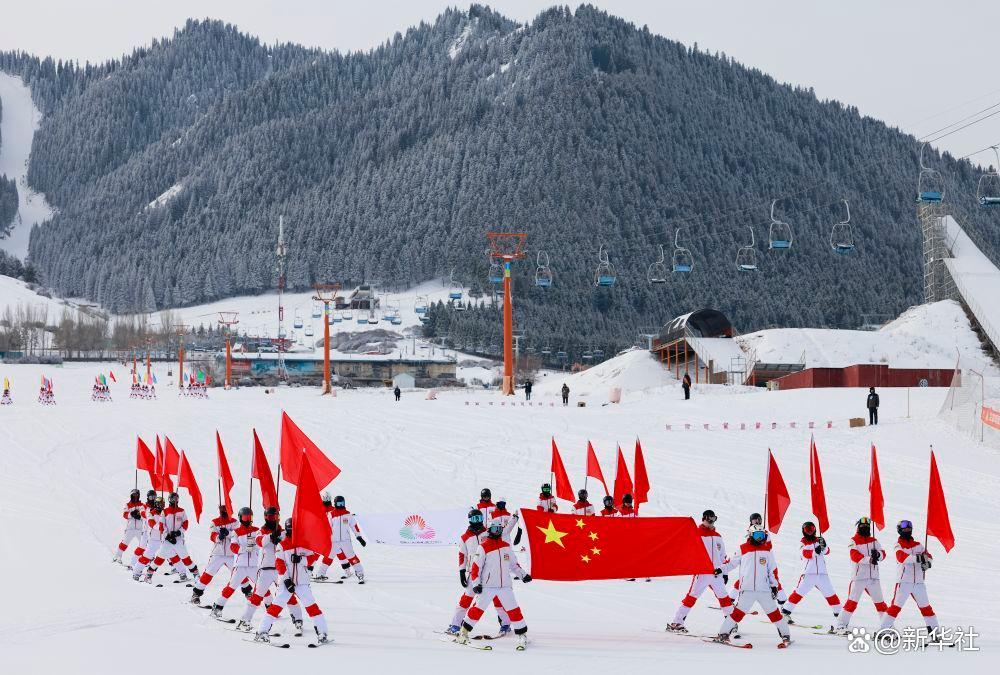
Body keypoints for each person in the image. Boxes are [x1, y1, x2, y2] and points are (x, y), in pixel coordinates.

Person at [454, 522, 531, 650]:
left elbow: (514, 565)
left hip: (505, 586)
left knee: (514, 610)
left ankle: (522, 634)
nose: (497, 531)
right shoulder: (483, 547)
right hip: (487, 586)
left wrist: (523, 575)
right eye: (495, 529)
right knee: (477, 609)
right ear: (489, 530)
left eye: (499, 529)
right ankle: (464, 632)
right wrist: (476, 584)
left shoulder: (506, 546)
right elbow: (476, 567)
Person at [254, 518, 331, 645]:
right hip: (286, 583)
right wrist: (286, 580)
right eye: (290, 529)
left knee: (312, 607)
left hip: (302, 582)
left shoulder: (305, 543)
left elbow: (312, 558)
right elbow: (279, 563)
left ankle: (322, 633)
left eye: (294, 529)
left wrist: (301, 559)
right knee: (275, 607)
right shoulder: (282, 544)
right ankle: (262, 631)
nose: (292, 531)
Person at [717, 525, 792, 646]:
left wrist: (774, 586)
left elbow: (772, 570)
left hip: (764, 590)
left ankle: (785, 635)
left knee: (774, 614)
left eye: (762, 535)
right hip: (747, 590)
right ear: (751, 535)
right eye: (757, 535)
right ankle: (723, 634)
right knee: (737, 614)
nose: (760, 539)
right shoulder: (743, 548)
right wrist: (720, 570)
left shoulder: (767, 551)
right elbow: (730, 563)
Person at [446, 509, 512, 635]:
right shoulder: (465, 537)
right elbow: (462, 555)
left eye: (479, 518)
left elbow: (501, 539)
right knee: (467, 598)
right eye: (474, 519)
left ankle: (505, 624)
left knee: (497, 598)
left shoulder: (488, 532)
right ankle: (455, 624)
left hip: (489, 572)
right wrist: (462, 571)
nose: (477, 521)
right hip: (474, 572)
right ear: (470, 520)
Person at [237, 507, 304, 633]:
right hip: (265, 569)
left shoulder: (283, 532)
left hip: (280, 569)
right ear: (266, 517)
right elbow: (259, 542)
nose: (273, 519)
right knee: (257, 595)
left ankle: (298, 618)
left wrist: (281, 537)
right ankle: (245, 620)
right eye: (270, 517)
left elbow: (291, 541)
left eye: (275, 517)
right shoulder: (261, 531)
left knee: (288, 594)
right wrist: (271, 536)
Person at [668, 509, 733, 632]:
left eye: (713, 519)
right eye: (709, 519)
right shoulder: (696, 534)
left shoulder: (718, 536)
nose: (711, 521)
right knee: (692, 597)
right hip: (702, 573)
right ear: (703, 519)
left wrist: (725, 573)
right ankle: (677, 622)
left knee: (724, 598)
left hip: (717, 573)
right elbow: (687, 550)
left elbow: (723, 556)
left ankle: (731, 623)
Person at [878, 519, 940, 636]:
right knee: (895, 607)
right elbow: (901, 558)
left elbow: (929, 556)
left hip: (919, 583)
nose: (907, 530)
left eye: (909, 528)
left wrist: (928, 563)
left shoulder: (918, 545)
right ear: (899, 530)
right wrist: (919, 558)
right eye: (905, 529)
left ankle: (935, 633)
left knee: (926, 608)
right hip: (904, 582)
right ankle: (882, 631)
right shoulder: (898, 545)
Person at [833, 517, 887, 634]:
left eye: (867, 526)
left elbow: (883, 554)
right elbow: (854, 556)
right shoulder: (853, 541)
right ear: (858, 527)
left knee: (880, 603)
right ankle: (840, 626)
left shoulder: (874, 541)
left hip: (873, 577)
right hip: (859, 578)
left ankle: (887, 626)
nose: (865, 528)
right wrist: (870, 559)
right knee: (852, 602)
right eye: (862, 526)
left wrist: (878, 555)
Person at [781, 522, 842, 623]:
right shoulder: (803, 542)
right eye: (807, 529)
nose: (809, 532)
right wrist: (815, 552)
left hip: (822, 573)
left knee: (830, 593)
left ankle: (840, 613)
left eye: (811, 529)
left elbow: (827, 552)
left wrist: (824, 545)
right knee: (799, 592)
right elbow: (804, 553)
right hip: (809, 573)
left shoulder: (819, 540)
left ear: (815, 530)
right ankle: (785, 611)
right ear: (803, 531)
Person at [728, 513, 788, 604]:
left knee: (771, 577)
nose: (757, 522)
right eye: (754, 520)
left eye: (759, 520)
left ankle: (782, 599)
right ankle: (730, 598)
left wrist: (763, 541)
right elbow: (748, 545)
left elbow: (769, 546)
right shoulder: (750, 531)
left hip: (764, 557)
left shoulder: (765, 532)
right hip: (753, 557)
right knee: (745, 578)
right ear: (751, 521)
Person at [210, 507, 259, 619]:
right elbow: (233, 547)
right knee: (231, 587)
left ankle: (269, 607)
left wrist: (254, 545)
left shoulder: (256, 530)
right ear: (241, 518)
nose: (247, 520)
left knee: (262, 586)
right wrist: (245, 548)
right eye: (245, 517)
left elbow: (260, 544)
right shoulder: (236, 532)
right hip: (240, 566)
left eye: (249, 517)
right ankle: (218, 607)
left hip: (253, 566)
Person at [141, 492, 199, 582]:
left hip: (179, 540)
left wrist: (178, 532)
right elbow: (161, 525)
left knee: (185, 558)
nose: (174, 500)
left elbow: (185, 523)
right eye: (172, 499)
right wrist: (167, 535)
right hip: (167, 540)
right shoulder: (165, 511)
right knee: (159, 558)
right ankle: (148, 575)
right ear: (169, 500)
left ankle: (196, 575)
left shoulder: (181, 511)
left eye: (176, 499)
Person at [190, 505, 237, 605]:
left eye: (225, 510)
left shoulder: (234, 522)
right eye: (222, 510)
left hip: (231, 554)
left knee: (239, 573)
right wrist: (219, 537)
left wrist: (228, 533)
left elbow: (238, 535)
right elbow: (212, 536)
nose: (224, 512)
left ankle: (248, 592)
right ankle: (196, 594)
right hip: (217, 553)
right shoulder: (215, 522)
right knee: (208, 573)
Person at [313, 496, 367, 583]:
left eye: (342, 503)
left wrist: (359, 537)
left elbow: (354, 526)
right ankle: (320, 574)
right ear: (335, 504)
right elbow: (327, 527)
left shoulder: (348, 515)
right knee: (328, 557)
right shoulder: (331, 514)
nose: (341, 505)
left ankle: (360, 574)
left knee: (352, 557)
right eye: (339, 504)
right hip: (334, 541)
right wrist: (324, 538)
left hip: (346, 541)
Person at [132, 496, 166, 581]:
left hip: (164, 539)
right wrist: (161, 527)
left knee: (171, 555)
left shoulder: (165, 513)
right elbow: (151, 524)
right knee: (147, 556)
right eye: (160, 504)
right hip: (154, 539)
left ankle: (182, 572)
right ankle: (136, 572)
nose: (162, 505)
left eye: (163, 504)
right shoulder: (151, 513)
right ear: (156, 504)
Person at [113, 489, 145, 564]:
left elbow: (144, 514)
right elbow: (125, 515)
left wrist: (139, 516)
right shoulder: (127, 505)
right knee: (125, 542)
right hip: (130, 528)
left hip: (140, 529)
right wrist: (132, 514)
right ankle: (117, 556)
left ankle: (144, 559)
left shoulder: (142, 505)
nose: (135, 496)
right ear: (131, 496)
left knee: (143, 544)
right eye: (133, 495)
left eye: (137, 495)